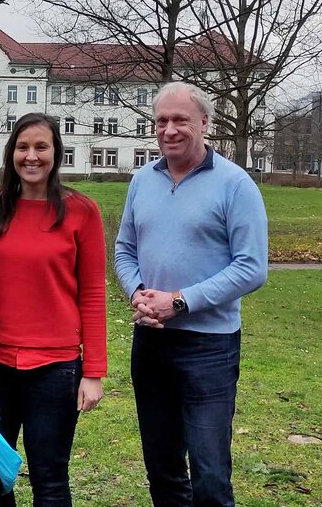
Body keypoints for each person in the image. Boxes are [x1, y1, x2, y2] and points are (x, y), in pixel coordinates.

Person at [115, 81, 268, 506]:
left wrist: (180, 301)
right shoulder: (142, 180)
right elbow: (125, 249)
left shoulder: (235, 184)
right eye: (161, 121)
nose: (169, 130)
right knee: (162, 468)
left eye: (180, 120)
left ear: (204, 122)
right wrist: (138, 294)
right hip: (151, 340)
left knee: (209, 472)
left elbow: (252, 267)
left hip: (209, 348)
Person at [0, 113, 107, 506]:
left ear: (56, 153)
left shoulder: (82, 211)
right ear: (11, 153)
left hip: (55, 368)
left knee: (49, 477)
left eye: (41, 147)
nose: (31, 156)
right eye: (23, 147)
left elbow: (92, 293)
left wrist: (93, 372)